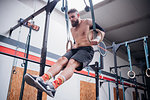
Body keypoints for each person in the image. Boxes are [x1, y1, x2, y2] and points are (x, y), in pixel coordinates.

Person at [24, 8, 105, 98]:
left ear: (78, 15)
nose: (71, 19)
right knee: (62, 59)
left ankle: (53, 86)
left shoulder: (87, 22)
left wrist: (97, 39)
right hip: (75, 50)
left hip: (87, 50)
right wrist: (72, 47)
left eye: (73, 17)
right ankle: (42, 79)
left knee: (72, 62)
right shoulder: (72, 30)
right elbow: (77, 41)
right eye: (69, 18)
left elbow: (102, 31)